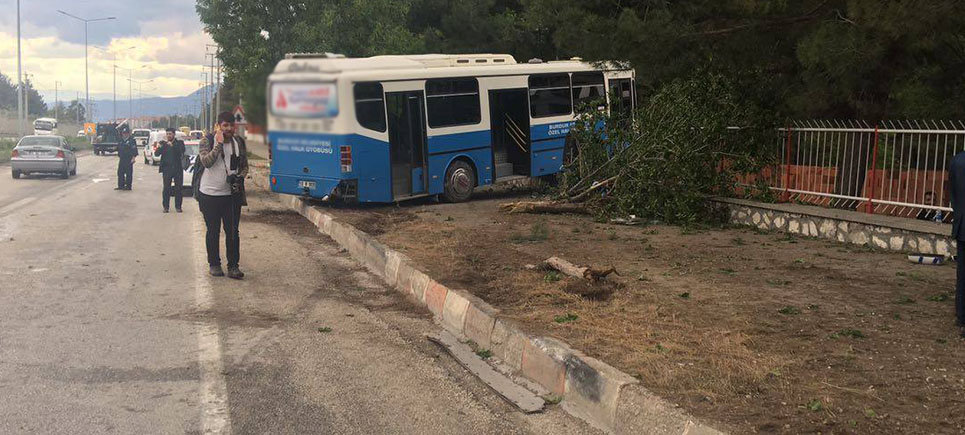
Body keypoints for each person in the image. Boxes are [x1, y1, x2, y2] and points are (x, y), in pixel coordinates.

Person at [196, 111, 249, 279]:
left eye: (231, 125)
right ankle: (214, 263)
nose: (229, 129)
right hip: (209, 195)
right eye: (225, 125)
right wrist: (218, 145)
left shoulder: (238, 142)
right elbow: (207, 162)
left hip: (231, 195)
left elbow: (244, 166)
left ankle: (233, 266)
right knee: (213, 230)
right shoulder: (207, 141)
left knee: (233, 231)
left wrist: (239, 177)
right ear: (218, 126)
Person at [948, 153, 965, 338]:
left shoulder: (957, 161)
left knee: (962, 274)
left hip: (962, 225)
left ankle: (962, 317)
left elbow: (952, 193)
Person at [155, 128, 186, 213]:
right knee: (166, 189)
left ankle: (178, 206)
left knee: (178, 189)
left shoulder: (179, 143)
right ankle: (166, 207)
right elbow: (156, 154)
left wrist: (173, 146)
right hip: (167, 169)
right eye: (167, 134)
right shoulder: (163, 144)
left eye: (170, 134)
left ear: (174, 135)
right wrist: (160, 147)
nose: (168, 135)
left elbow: (182, 151)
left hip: (177, 169)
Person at [115, 124, 138, 190]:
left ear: (128, 133)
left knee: (128, 173)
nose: (124, 134)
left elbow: (134, 150)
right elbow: (118, 148)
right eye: (123, 133)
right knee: (120, 172)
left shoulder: (131, 140)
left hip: (129, 159)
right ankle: (120, 185)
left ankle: (128, 186)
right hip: (122, 159)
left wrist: (133, 158)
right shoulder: (121, 140)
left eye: (126, 133)